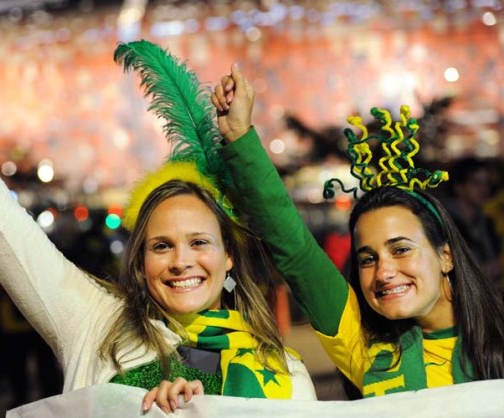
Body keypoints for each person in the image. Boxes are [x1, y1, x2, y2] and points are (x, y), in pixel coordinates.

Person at [0, 28, 316, 414]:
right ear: (139, 261)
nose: (181, 261)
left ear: (228, 257)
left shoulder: (286, 374)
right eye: (161, 245)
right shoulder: (94, 326)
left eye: (200, 243)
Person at [210, 64, 504, 398]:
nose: (384, 272)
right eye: (367, 259)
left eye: (401, 249)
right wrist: (239, 137)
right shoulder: (361, 343)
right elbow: (295, 249)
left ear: (446, 256)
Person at [444, 156, 502, 287]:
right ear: (459, 187)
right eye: (476, 183)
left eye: (487, 183)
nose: (484, 189)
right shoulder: (444, 221)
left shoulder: (487, 220)